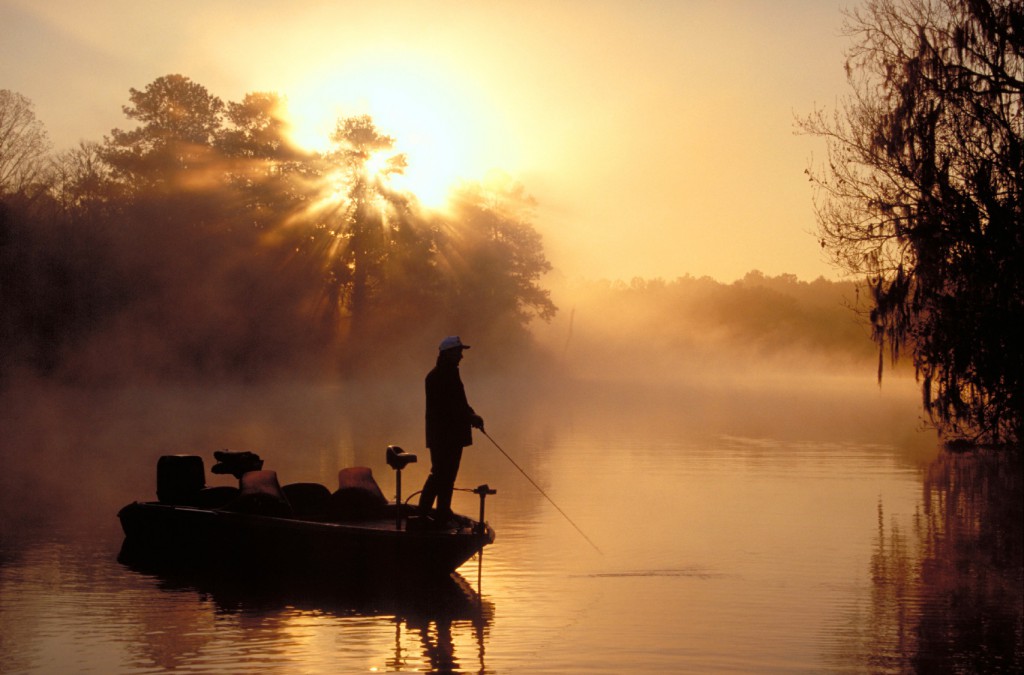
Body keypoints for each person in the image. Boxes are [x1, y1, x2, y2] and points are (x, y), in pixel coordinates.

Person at [418, 335, 484, 524]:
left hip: (451, 435)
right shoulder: (439, 376)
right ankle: (423, 514)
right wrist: (470, 417)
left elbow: (460, 403)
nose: (461, 356)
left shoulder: (449, 373)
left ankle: (442, 512)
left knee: (447, 476)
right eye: (458, 352)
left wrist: (471, 415)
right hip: (443, 436)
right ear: (448, 353)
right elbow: (449, 407)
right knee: (440, 474)